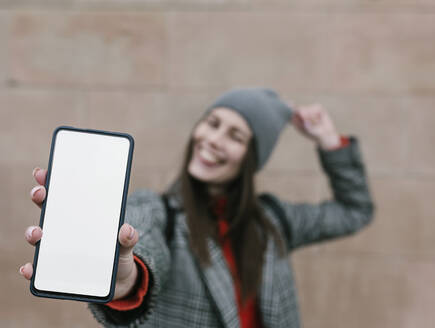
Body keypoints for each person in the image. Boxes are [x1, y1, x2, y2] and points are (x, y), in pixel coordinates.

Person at [20, 88, 375, 328]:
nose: (213, 140)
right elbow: (143, 246)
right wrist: (127, 280)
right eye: (212, 123)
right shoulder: (158, 211)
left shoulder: (274, 220)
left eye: (236, 136)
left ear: (252, 159)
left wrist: (329, 141)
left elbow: (354, 210)